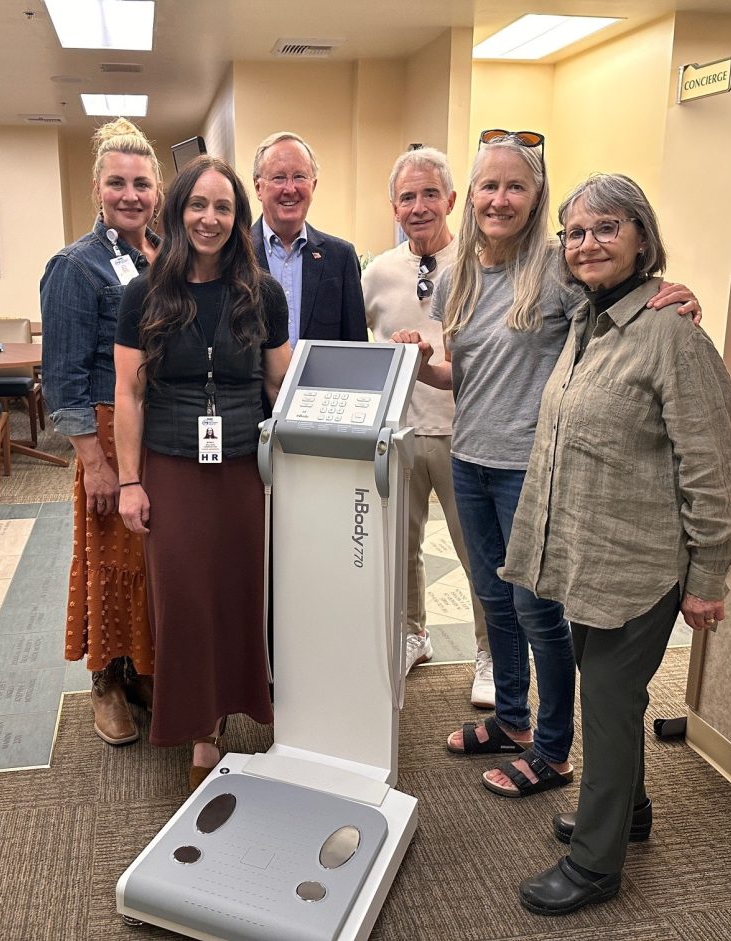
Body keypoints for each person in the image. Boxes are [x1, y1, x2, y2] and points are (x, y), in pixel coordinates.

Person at [392, 132, 700, 801]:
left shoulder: (559, 270)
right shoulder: (458, 276)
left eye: (516, 186)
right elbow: (466, 375)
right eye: (489, 186)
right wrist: (422, 365)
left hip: (532, 469)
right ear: (471, 197)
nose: (499, 199)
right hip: (469, 458)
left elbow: (619, 314)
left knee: (538, 613)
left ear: (536, 198)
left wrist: (669, 294)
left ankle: (554, 751)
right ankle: (512, 721)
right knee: (494, 602)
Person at [501, 172, 731, 915]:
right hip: (589, 557)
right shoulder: (587, 321)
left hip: (642, 564)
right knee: (613, 699)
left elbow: (710, 464)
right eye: (575, 231)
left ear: (642, 238)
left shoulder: (673, 334)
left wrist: (708, 574)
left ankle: (594, 865)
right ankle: (628, 811)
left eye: (607, 227)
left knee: (605, 703)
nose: (588, 243)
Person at [114, 155, 291, 789]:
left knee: (241, 594)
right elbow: (130, 392)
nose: (209, 218)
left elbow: (279, 385)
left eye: (223, 207)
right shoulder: (144, 293)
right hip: (171, 469)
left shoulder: (262, 293)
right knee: (184, 601)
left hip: (243, 469)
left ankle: (238, 711)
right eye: (198, 205)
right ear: (177, 211)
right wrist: (130, 481)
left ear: (238, 218)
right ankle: (199, 732)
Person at [40, 118, 162, 746]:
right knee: (111, 564)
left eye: (142, 184)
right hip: (108, 433)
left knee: (151, 560)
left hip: (163, 431)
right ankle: (107, 680)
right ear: (97, 189)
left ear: (158, 191)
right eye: (117, 183)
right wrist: (94, 461)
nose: (130, 195)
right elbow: (63, 378)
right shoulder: (74, 266)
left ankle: (143, 668)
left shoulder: (168, 256)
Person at [362, 147, 492, 707]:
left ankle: (490, 652)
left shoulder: (480, 264)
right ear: (394, 205)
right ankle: (413, 633)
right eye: (407, 197)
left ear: (452, 200)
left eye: (430, 194)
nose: (419, 207)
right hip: (398, 432)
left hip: (465, 433)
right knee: (401, 546)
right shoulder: (377, 273)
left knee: (478, 552)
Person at [251, 131, 367, 344]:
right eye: (278, 178)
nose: (290, 189)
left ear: (313, 185)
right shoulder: (235, 254)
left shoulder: (341, 258)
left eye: (299, 177)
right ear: (259, 187)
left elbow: (356, 348)